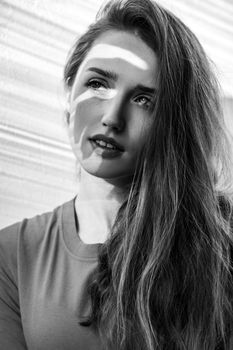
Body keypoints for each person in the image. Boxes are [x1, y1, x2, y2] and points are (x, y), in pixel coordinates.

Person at [0, 0, 233, 349]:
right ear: (68, 93)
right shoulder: (13, 253)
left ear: (174, 123)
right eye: (97, 83)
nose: (112, 115)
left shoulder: (220, 248)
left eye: (143, 100)